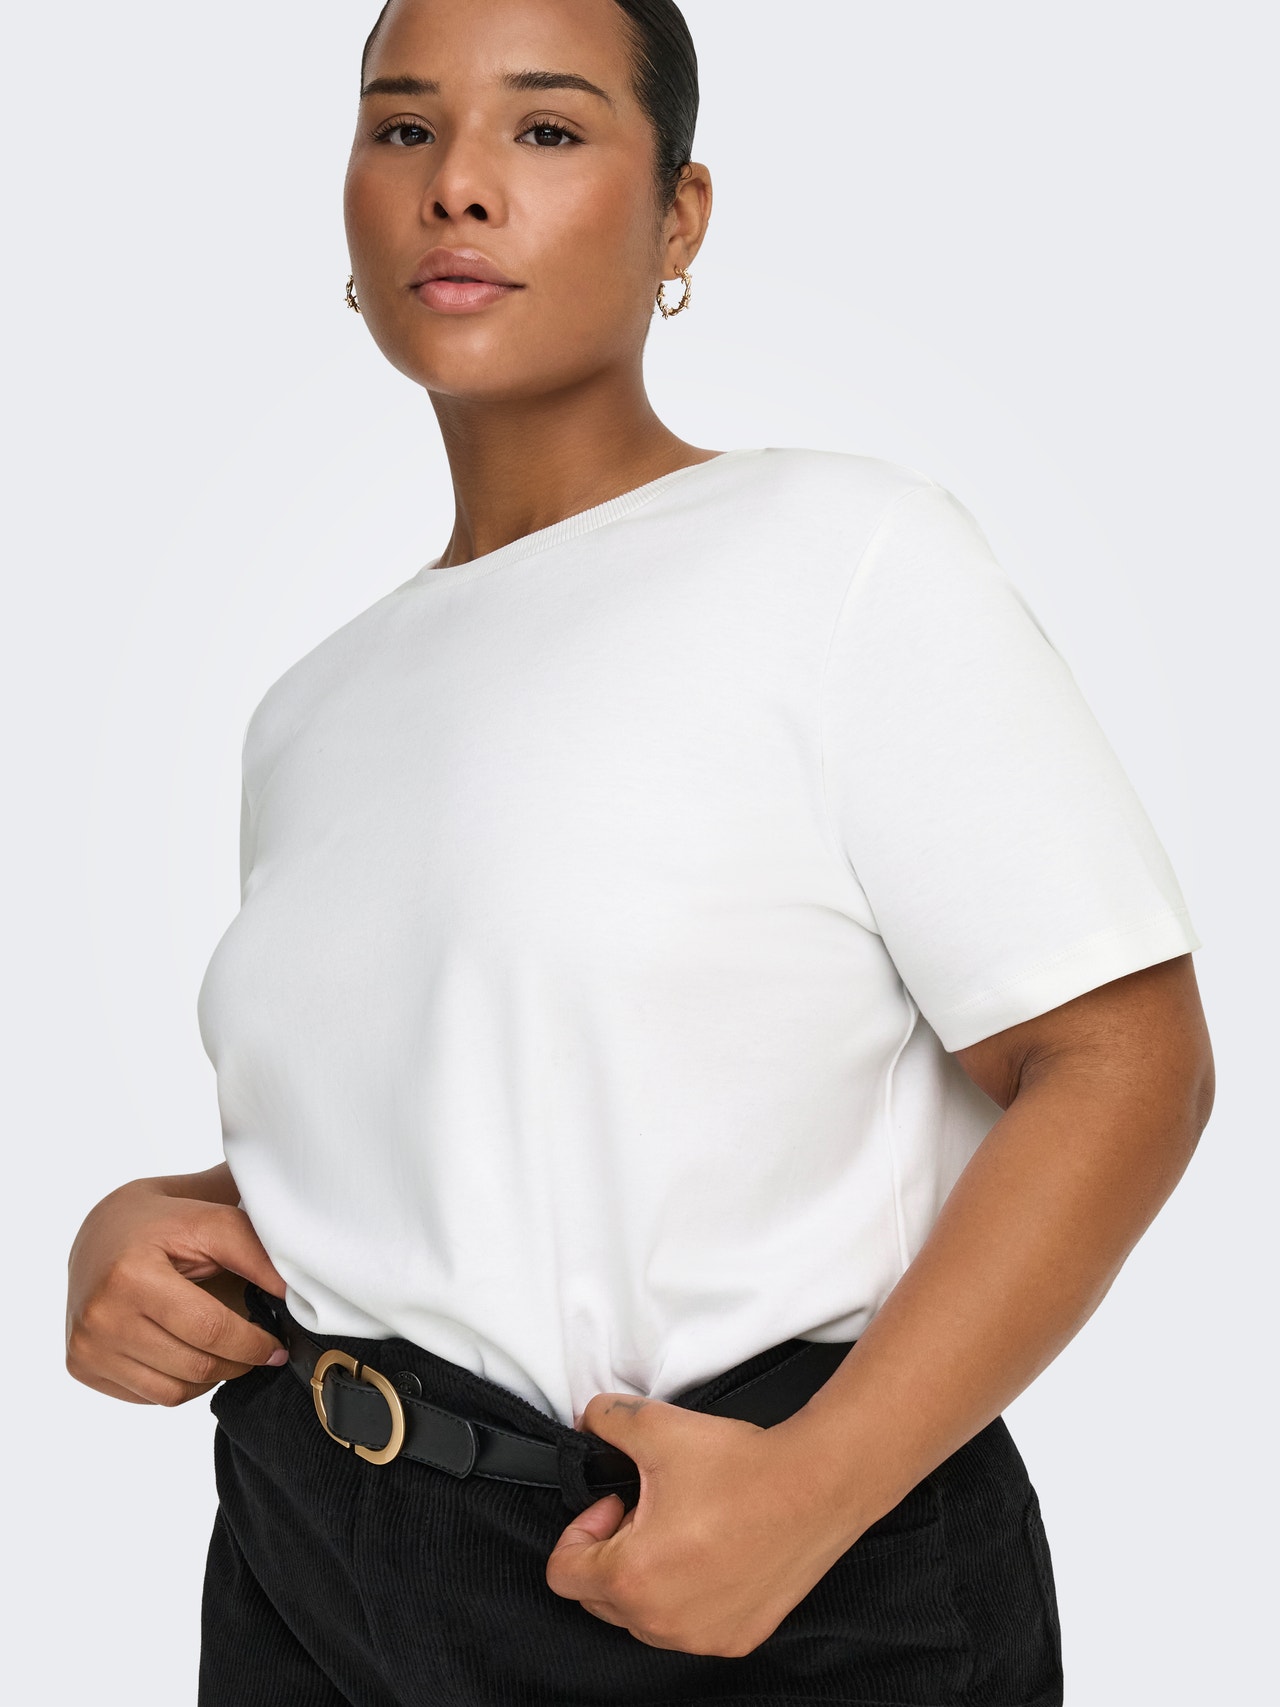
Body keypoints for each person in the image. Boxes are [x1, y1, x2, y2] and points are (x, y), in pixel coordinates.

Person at [64, 0, 1214, 1702]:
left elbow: (1124, 1062)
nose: (458, 185)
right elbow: (513, 1124)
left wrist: (817, 1491)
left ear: (679, 216)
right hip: (310, 1559)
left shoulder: (839, 554)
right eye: (402, 129)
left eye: (545, 129)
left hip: (730, 1568)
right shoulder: (311, 707)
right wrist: (162, 1226)